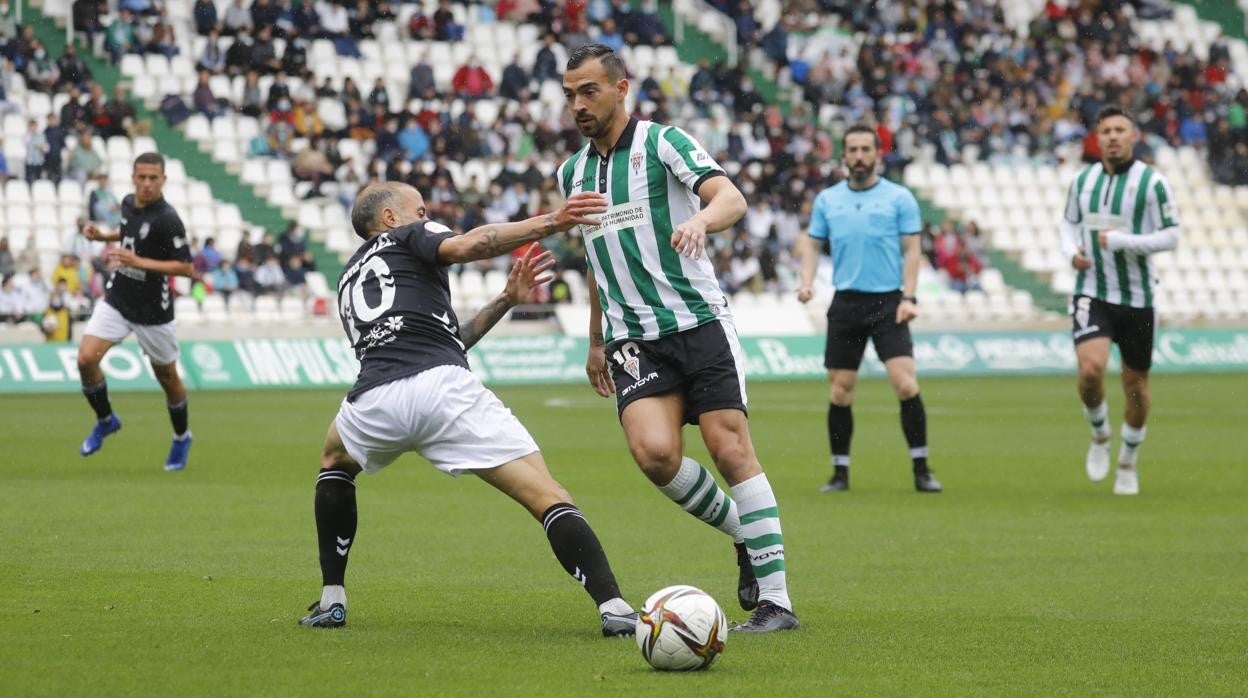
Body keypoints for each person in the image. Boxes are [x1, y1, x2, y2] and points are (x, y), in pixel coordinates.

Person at [298, 181, 640, 638]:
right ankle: (614, 607)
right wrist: (553, 222)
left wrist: (505, 299)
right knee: (547, 495)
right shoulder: (409, 235)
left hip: (374, 401)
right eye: (420, 210)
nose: (427, 217)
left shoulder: (349, 277)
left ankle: (332, 599)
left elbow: (447, 340)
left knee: (333, 460)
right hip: (442, 390)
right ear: (390, 218)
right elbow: (473, 245)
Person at [556, 44, 797, 633]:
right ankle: (745, 535)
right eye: (570, 95)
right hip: (632, 339)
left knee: (729, 448)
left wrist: (700, 219)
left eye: (589, 91)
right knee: (655, 455)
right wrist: (595, 339)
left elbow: (731, 197)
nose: (578, 105)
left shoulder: (664, 143)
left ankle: (777, 603)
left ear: (621, 88)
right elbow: (596, 257)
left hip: (697, 322)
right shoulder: (571, 173)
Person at [796, 124, 942, 494]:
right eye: (853, 150)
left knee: (905, 384)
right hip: (846, 303)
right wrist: (806, 281)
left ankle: (921, 469)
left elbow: (912, 250)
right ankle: (839, 473)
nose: (859, 156)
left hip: (889, 302)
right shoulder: (828, 200)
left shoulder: (899, 198)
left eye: (866, 149)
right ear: (843, 156)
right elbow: (812, 245)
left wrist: (909, 297)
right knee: (840, 391)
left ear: (878, 154)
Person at [1059, 106, 1180, 496]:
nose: (1112, 136)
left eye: (1120, 130)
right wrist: (1071, 252)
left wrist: (1124, 241)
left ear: (1133, 136)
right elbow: (1068, 224)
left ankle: (1128, 461)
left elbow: (1172, 236)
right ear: (1097, 138)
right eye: (1106, 130)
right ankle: (1099, 433)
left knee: (1136, 387)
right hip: (1092, 289)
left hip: (1138, 297)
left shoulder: (1152, 184)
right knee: (1090, 369)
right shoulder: (1083, 181)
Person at [76, 153, 195, 471]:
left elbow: (186, 267)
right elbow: (130, 231)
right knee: (86, 359)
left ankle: (181, 436)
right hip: (118, 298)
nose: (146, 184)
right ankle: (106, 420)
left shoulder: (168, 218)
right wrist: (104, 237)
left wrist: (139, 262)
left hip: (153, 310)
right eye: (141, 177)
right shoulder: (128, 203)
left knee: (167, 378)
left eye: (153, 178)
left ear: (163, 180)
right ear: (133, 178)